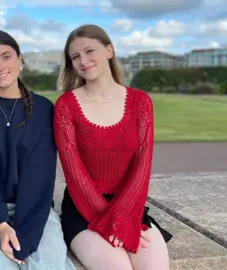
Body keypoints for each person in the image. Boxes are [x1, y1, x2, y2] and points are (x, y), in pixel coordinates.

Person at [54, 24, 173, 270]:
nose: (83, 61)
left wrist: (122, 217)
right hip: (83, 210)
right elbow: (74, 175)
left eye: (89, 51)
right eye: (75, 57)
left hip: (130, 207)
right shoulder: (66, 106)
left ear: (109, 50)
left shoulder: (141, 102)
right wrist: (110, 222)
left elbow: (142, 166)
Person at [0, 29, 76, 270]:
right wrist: (1, 224)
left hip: (34, 207)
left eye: (6, 56)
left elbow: (39, 176)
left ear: (20, 59)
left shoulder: (43, 110)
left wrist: (27, 237)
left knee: (48, 266)